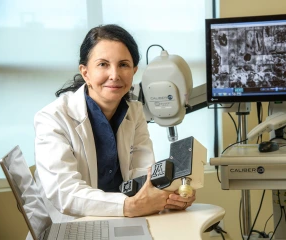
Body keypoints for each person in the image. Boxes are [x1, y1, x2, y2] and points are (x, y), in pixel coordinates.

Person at [34, 24, 196, 222]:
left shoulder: (134, 112)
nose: (114, 75)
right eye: (103, 64)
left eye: (123, 65)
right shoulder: (53, 118)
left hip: (122, 220)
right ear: (85, 72)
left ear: (134, 71)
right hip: (70, 225)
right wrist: (131, 205)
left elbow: (142, 175)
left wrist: (171, 194)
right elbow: (65, 193)